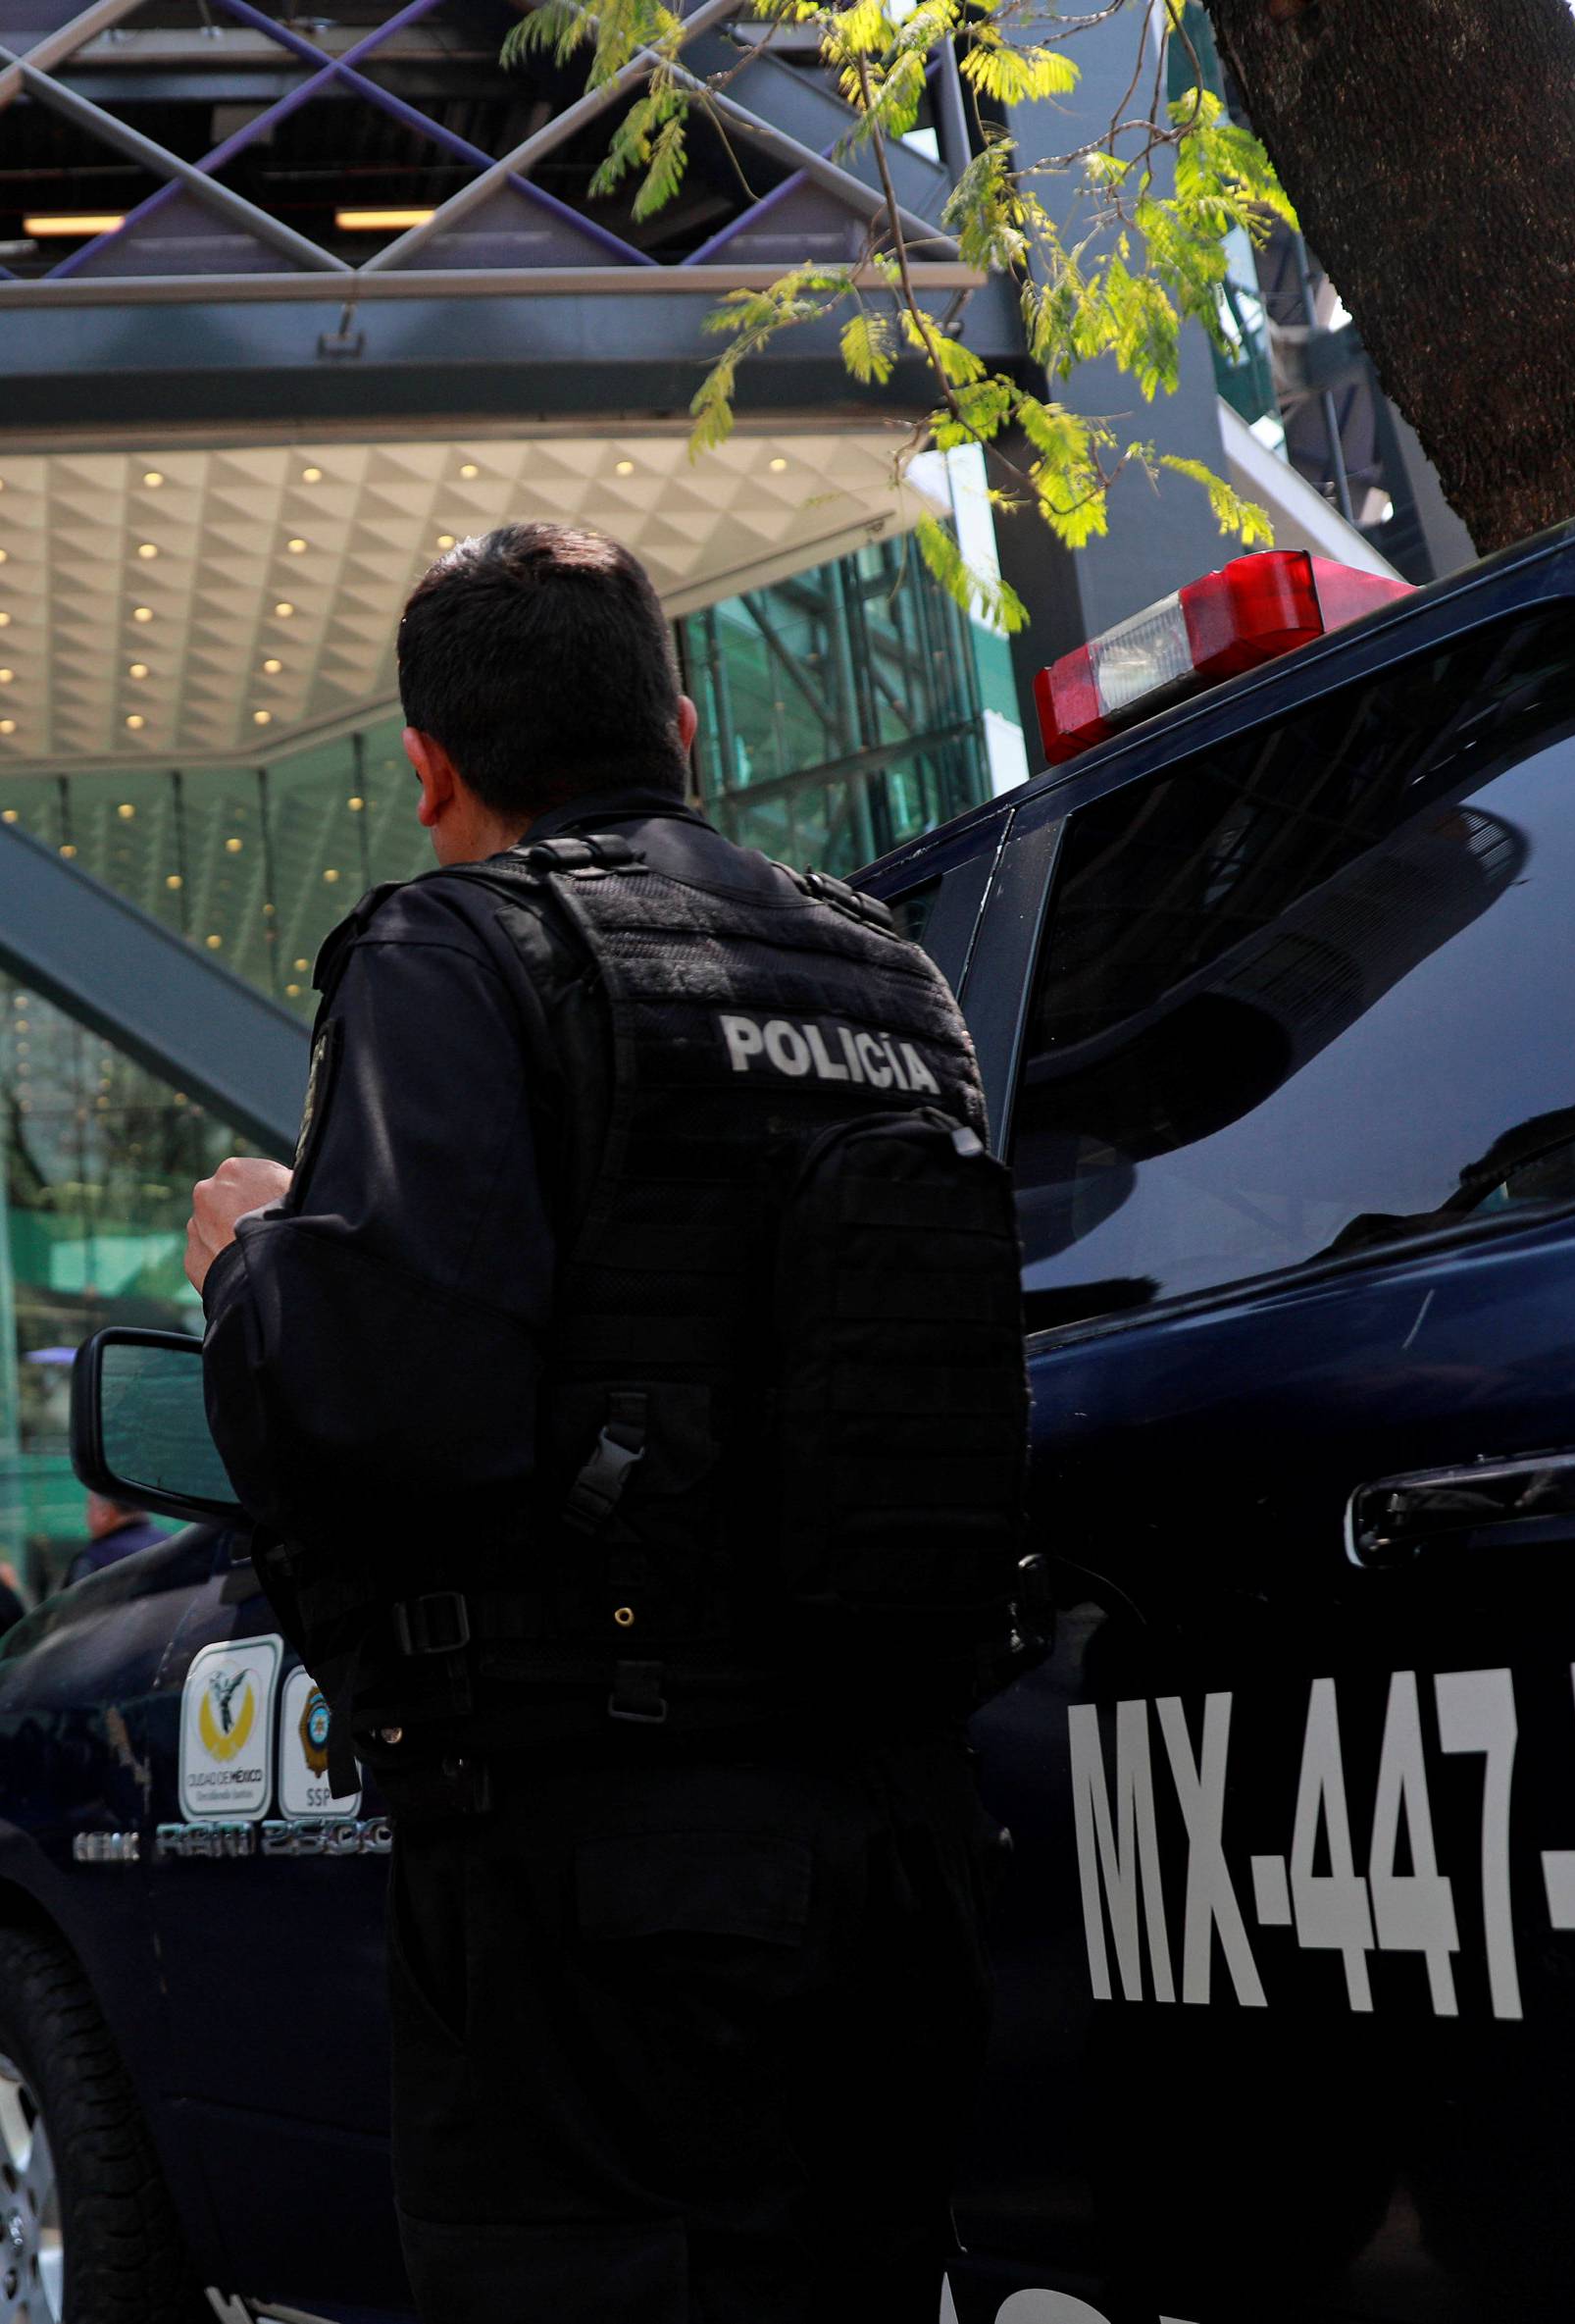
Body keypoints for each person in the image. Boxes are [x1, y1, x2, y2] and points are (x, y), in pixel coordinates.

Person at [184, 524, 1028, 2324]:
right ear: (687, 723)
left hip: (601, 1893)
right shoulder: (899, 985)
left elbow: (394, 1413)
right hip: (901, 1861)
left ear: (429, 768)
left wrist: (252, 1262)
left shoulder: (455, 950)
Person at [65, 1493, 167, 1587]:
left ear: (104, 1513)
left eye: (90, 1506)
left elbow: (74, 1605)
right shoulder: (171, 1546)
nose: (86, 1515)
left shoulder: (92, 1561)